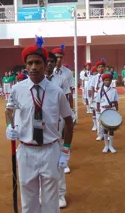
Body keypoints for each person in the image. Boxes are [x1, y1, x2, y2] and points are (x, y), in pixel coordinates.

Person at [5, 36, 74, 213]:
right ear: (25, 66)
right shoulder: (17, 89)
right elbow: (9, 110)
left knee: (51, 201)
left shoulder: (56, 91)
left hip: (50, 150)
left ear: (45, 65)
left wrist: (65, 150)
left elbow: (68, 120)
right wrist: (9, 126)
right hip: (26, 150)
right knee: (28, 200)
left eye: (38, 62)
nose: (34, 67)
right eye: (30, 63)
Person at [45, 51, 71, 208]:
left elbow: (68, 98)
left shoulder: (61, 80)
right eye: (46, 61)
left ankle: (60, 194)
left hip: (58, 121)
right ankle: (45, 193)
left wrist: (71, 113)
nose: (48, 64)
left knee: (58, 157)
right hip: (41, 125)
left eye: (51, 61)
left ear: (55, 64)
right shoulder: (34, 81)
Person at [96, 72, 119, 153]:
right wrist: (98, 110)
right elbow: (98, 102)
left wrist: (117, 111)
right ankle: (106, 145)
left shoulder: (114, 90)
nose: (107, 81)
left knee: (111, 128)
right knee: (105, 128)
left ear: (111, 81)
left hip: (112, 110)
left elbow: (116, 102)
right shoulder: (100, 91)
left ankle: (111, 145)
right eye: (105, 80)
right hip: (103, 110)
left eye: (109, 80)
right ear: (103, 81)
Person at [90, 59, 106, 141]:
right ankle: (100, 134)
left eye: (102, 67)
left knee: (105, 115)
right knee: (98, 115)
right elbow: (92, 88)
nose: (101, 68)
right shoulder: (94, 77)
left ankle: (106, 134)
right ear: (97, 68)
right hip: (97, 96)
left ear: (104, 68)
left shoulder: (106, 77)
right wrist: (92, 98)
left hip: (104, 97)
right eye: (99, 67)